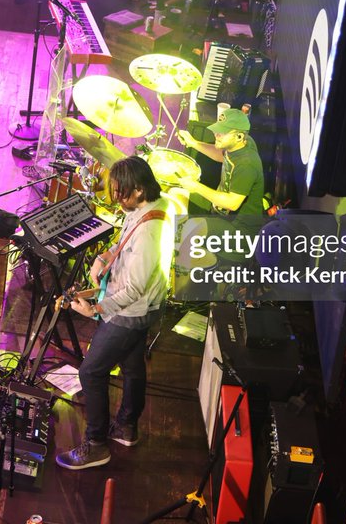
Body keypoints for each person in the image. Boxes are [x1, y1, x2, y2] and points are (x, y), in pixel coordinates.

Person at [56, 156, 171, 470]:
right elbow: (125, 242)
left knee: (91, 372)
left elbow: (133, 289)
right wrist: (105, 256)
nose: (117, 200)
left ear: (139, 190)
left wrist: (95, 308)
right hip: (143, 308)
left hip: (131, 312)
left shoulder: (151, 231)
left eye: (122, 194)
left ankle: (96, 445)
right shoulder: (149, 207)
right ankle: (126, 428)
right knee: (133, 366)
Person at [175, 108, 265, 226]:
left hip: (238, 226)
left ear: (239, 137)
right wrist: (193, 142)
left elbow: (232, 203)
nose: (216, 135)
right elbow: (221, 155)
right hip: (218, 209)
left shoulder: (247, 163)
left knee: (190, 229)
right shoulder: (242, 142)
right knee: (175, 193)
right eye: (217, 129)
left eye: (223, 132)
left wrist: (196, 186)